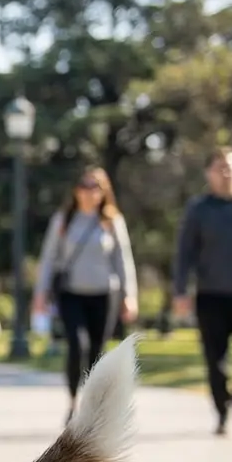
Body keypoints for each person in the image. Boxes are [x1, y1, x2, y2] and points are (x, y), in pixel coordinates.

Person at [33, 166, 139, 421]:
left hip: (105, 294)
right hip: (71, 293)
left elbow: (123, 259)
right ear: (76, 191)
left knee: (97, 351)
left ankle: (92, 407)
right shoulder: (64, 220)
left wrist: (129, 295)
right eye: (84, 186)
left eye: (95, 187)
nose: (89, 192)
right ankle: (73, 400)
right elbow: (49, 258)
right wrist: (40, 293)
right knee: (77, 345)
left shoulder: (112, 221)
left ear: (104, 192)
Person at [172, 147, 232, 435]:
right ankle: (221, 413)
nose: (226, 173)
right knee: (215, 361)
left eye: (231, 167)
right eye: (220, 168)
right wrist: (180, 290)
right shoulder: (198, 208)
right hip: (211, 296)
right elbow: (184, 252)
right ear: (209, 173)